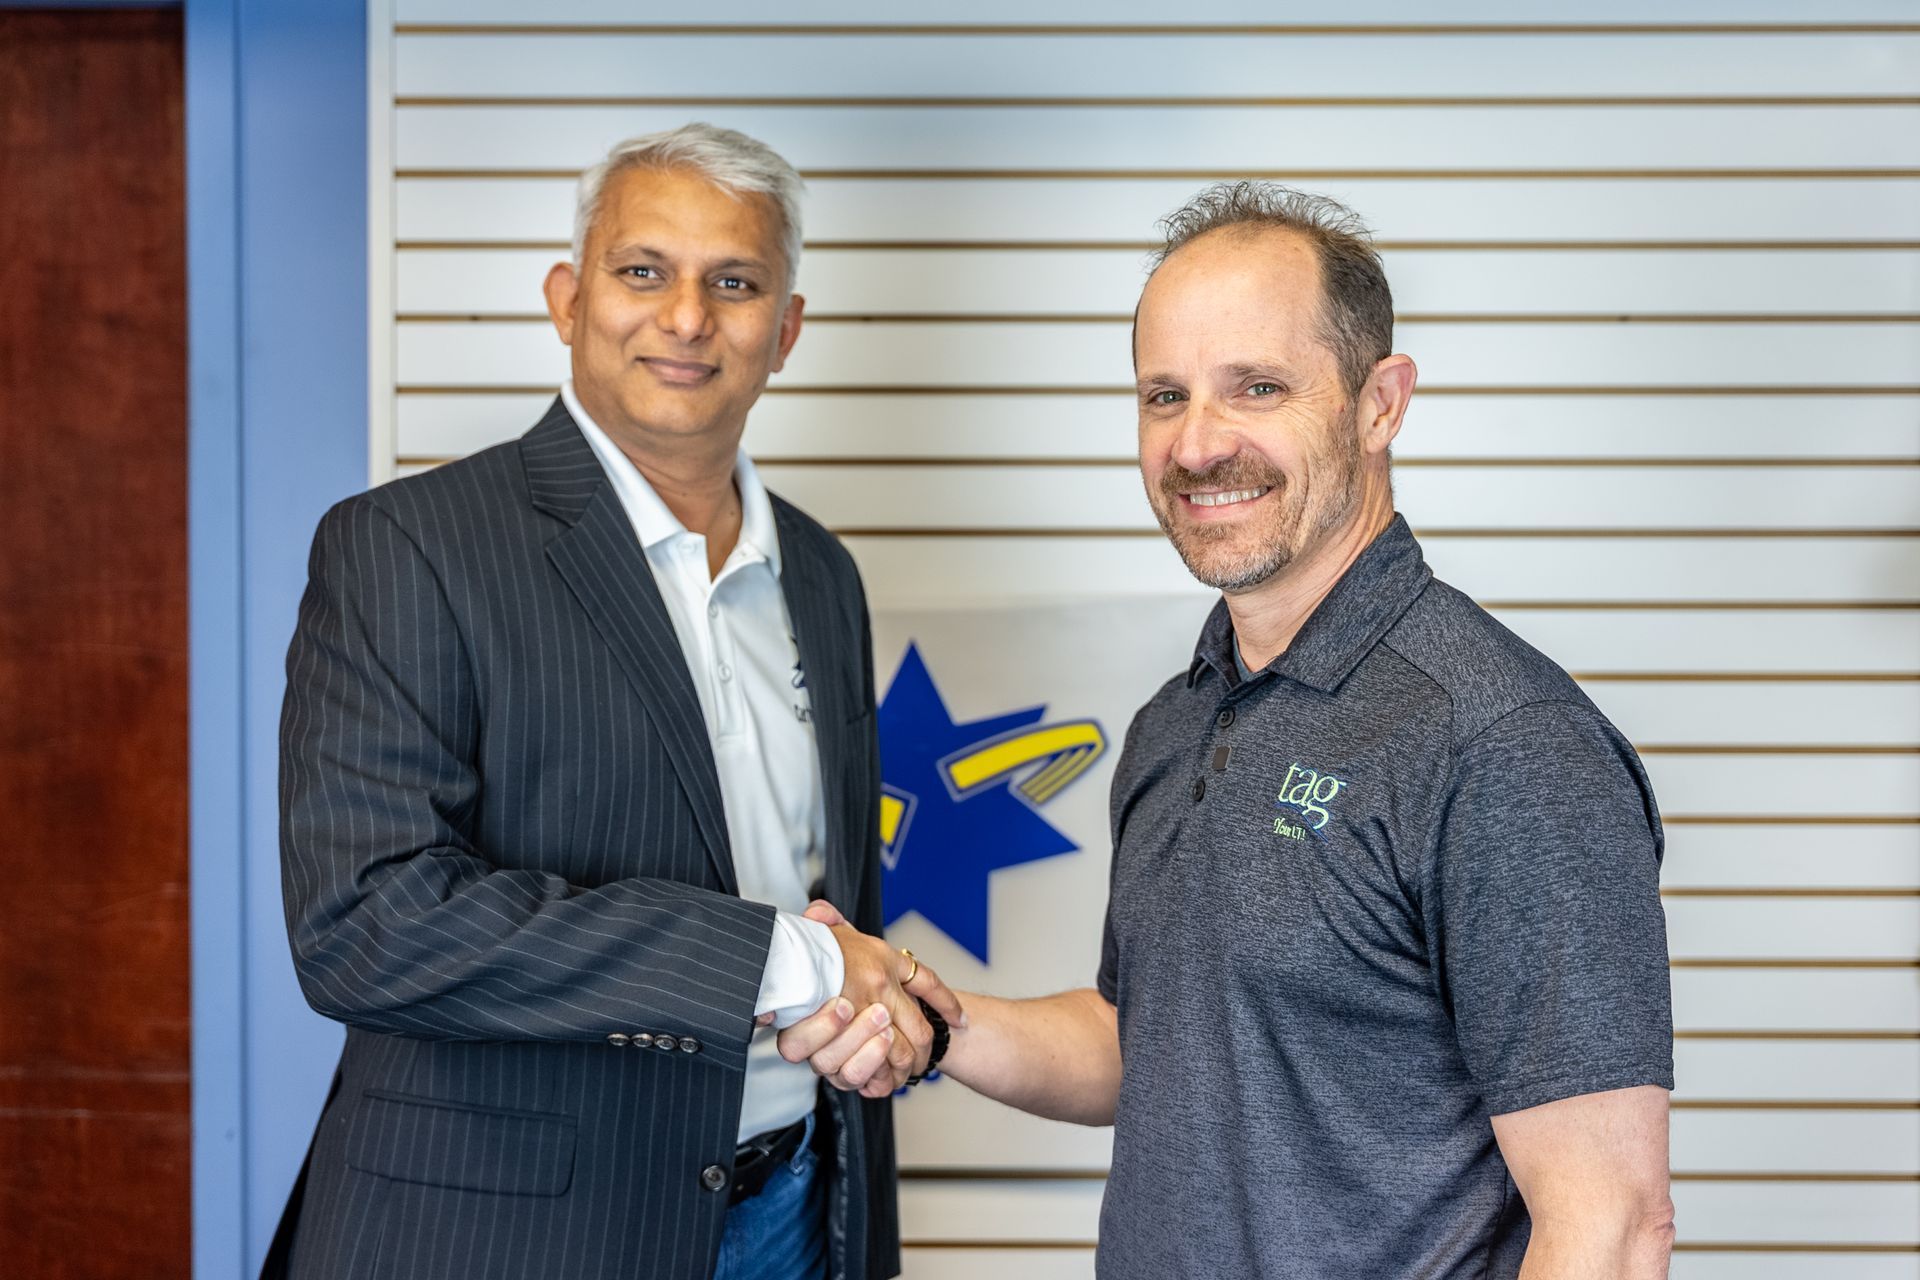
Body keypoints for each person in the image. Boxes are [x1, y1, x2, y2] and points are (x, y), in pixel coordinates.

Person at [782, 182, 1676, 1279]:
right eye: (1165, 395)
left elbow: (1612, 1226)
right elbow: (1142, 1039)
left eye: (1257, 386)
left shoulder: (1501, 741)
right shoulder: (1180, 717)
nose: (1199, 444)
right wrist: (930, 1010)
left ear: (1380, 402)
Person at [267, 123, 959, 1280]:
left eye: (733, 283)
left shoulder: (825, 576)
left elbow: (837, 909)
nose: (686, 317)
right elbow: (366, 924)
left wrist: (873, 1019)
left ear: (784, 329)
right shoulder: (408, 548)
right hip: (508, 1237)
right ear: (568, 297)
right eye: (644, 271)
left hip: (793, 1209)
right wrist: (778, 963)